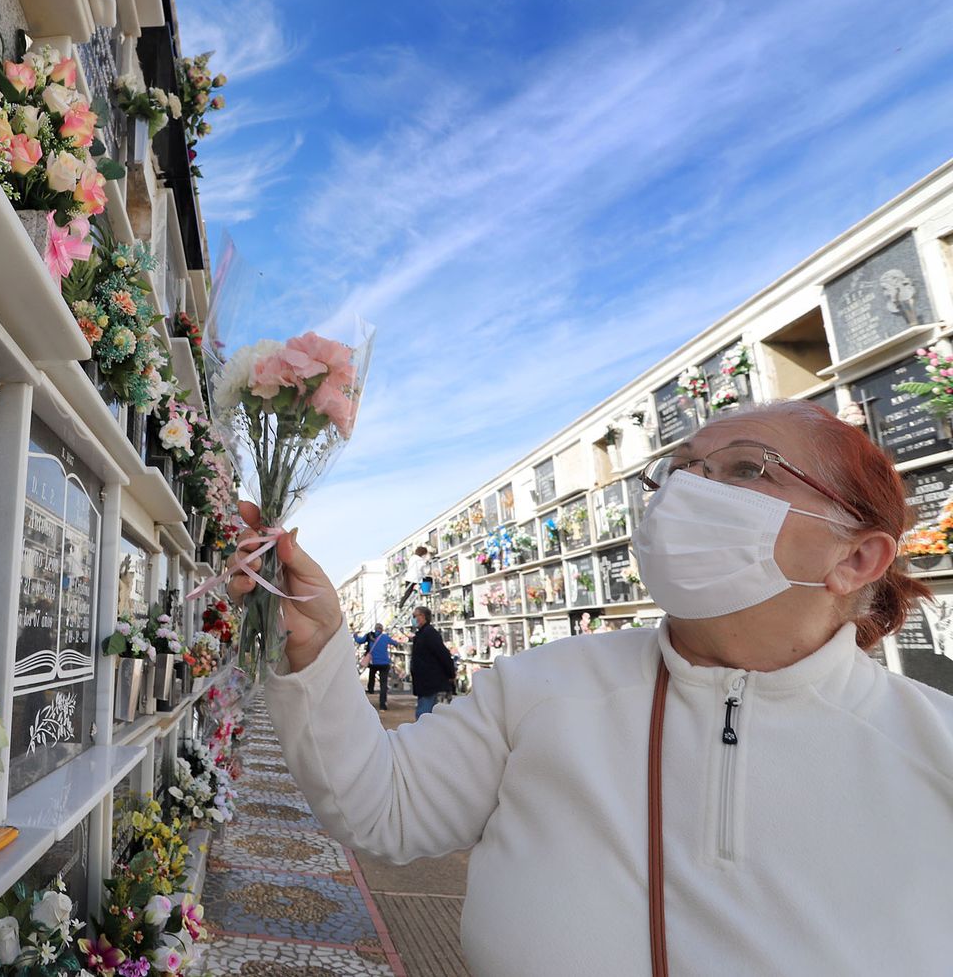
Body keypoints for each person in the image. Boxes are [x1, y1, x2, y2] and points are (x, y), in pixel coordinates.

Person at [231, 401, 953, 974]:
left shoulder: (933, 747)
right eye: (677, 468)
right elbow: (384, 805)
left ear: (857, 556)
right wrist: (322, 640)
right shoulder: (548, 684)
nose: (688, 487)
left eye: (745, 470)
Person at [408, 605, 455, 718]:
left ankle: (423, 734)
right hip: (424, 681)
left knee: (423, 714)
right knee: (427, 712)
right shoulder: (422, 633)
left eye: (415, 616)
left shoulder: (429, 633)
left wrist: (451, 673)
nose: (413, 619)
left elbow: (443, 654)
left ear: (422, 616)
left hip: (430, 681)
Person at [352, 622, 393, 709]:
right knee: (383, 683)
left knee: (372, 675)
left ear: (375, 629)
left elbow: (359, 641)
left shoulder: (369, 636)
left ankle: (371, 690)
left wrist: (355, 635)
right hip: (384, 663)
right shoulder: (385, 637)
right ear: (382, 630)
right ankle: (382, 704)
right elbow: (395, 643)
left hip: (373, 662)